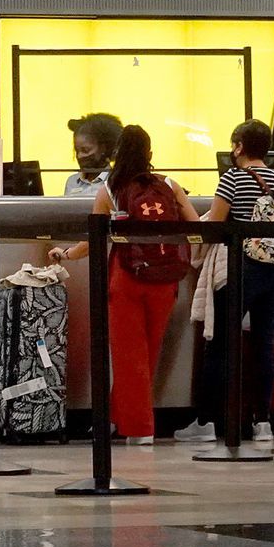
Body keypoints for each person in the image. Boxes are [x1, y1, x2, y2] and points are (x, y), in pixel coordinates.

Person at [48, 125, 200, 445]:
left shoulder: (110, 189)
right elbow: (195, 226)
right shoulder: (170, 185)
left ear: (117, 153)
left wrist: (67, 254)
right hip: (166, 278)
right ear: (149, 153)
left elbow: (94, 237)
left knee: (129, 357)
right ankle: (118, 418)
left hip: (127, 277)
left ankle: (140, 428)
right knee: (148, 352)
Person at [177, 120, 274, 444]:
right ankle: (263, 423)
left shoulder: (233, 178)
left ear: (239, 147)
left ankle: (208, 422)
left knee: (219, 345)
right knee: (264, 344)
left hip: (240, 267)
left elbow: (214, 225)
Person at [64, 113, 122, 197]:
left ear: (104, 148)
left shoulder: (118, 181)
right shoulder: (72, 182)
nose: (80, 156)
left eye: (85, 150)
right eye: (76, 151)